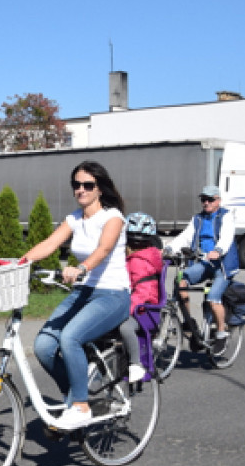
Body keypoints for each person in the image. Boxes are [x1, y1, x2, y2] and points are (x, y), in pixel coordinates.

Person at [23, 161, 131, 430]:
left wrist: (82, 268)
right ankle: (74, 394)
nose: (81, 190)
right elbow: (49, 244)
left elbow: (104, 250)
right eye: (76, 185)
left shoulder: (112, 217)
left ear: (100, 188)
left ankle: (81, 406)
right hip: (84, 291)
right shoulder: (74, 219)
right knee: (44, 347)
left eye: (88, 185)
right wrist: (19, 262)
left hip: (113, 294)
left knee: (71, 337)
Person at [166, 184, 239, 351]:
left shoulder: (225, 216)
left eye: (210, 199)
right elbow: (185, 237)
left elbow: (227, 236)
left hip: (222, 265)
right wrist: (169, 248)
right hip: (204, 263)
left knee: (213, 299)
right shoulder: (198, 219)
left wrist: (218, 250)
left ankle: (221, 333)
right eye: (203, 199)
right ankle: (189, 323)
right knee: (181, 280)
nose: (206, 203)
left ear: (218, 201)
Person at [117, 212, 163, 383]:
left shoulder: (140, 261)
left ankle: (136, 364)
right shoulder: (136, 257)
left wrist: (125, 311)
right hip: (138, 307)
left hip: (145, 312)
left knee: (125, 328)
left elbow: (143, 293)